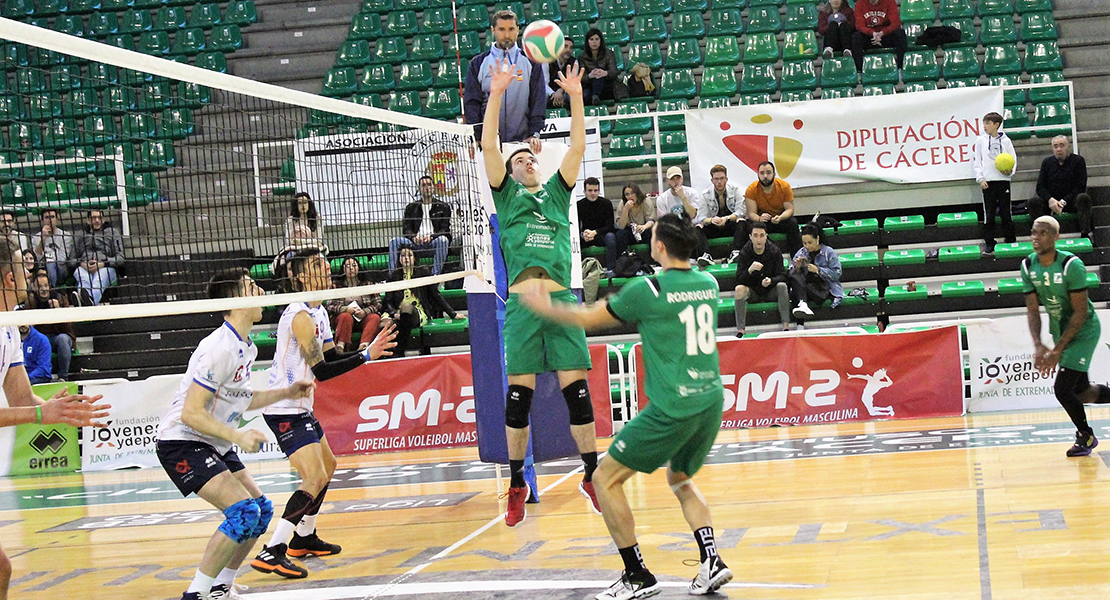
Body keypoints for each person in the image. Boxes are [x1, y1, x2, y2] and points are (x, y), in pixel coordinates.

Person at [521, 213, 733, 600]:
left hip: (674, 405)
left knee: (604, 479)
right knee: (681, 478)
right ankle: (711, 560)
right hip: (710, 400)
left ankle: (636, 574)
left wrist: (545, 307)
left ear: (660, 247)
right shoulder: (709, 283)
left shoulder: (647, 289)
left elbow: (588, 318)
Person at [481, 59, 602, 526]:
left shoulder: (555, 192)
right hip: (523, 307)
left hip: (561, 304)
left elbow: (576, 145)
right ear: (510, 175)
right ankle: (516, 481)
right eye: (519, 162)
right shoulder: (507, 197)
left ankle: (591, 473)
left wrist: (574, 94)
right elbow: (490, 145)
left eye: (530, 158)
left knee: (577, 395)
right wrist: (495, 94)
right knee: (519, 398)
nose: (527, 162)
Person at [155, 269, 313, 600]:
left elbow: (241, 399)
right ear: (236, 300)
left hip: (212, 441)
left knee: (260, 509)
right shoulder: (219, 348)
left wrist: (286, 392)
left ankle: (220, 587)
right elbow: (191, 413)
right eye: (252, 286)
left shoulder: (245, 346)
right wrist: (238, 437)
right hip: (182, 441)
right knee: (242, 512)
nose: (260, 291)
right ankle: (196, 594)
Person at [252, 248, 397, 579]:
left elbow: (330, 358)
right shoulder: (300, 316)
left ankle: (304, 537)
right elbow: (322, 372)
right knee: (313, 477)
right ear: (301, 277)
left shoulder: (318, 314)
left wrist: (363, 352)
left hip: (302, 406)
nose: (327, 269)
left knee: (328, 467)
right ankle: (272, 550)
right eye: (318, 265)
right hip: (283, 408)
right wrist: (367, 356)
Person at [0, 238, 110, 600]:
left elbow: (21, 398)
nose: (28, 272)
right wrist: (38, 412)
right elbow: (29, 408)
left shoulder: (9, 327)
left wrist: (59, 412)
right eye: (21, 267)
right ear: (6, 278)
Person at [1022, 216, 1110, 457]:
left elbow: (1081, 312)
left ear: (1055, 237)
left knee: (1062, 389)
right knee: (1082, 392)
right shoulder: (1028, 266)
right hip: (1061, 328)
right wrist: (1039, 345)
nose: (1035, 238)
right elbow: (1032, 309)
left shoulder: (1071, 265)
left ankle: (1086, 436)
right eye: (1033, 232)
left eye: (1042, 233)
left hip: (1083, 330)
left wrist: (1058, 350)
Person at [464, 10, 546, 152]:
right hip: (489, 145)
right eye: (501, 29)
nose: (507, 35)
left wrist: (534, 133)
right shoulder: (478, 63)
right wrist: (477, 136)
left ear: (518, 30)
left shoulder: (531, 62)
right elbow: (472, 103)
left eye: (511, 29)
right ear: (493, 30)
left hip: (523, 143)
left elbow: (538, 100)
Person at [384, 247, 458, 356]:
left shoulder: (423, 272)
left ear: (414, 258)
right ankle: (382, 356)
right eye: (403, 255)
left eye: (409, 255)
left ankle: (399, 351)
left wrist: (453, 314)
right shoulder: (393, 275)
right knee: (384, 324)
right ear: (399, 259)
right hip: (396, 313)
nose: (406, 258)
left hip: (417, 312)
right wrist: (394, 313)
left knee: (406, 307)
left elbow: (435, 295)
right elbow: (388, 301)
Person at [1028, 135, 1092, 241]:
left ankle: (1085, 234)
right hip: (1051, 203)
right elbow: (1040, 187)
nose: (1059, 149)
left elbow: (1080, 186)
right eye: (1055, 146)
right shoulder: (1047, 163)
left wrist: (1063, 202)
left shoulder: (1078, 161)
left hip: (1071, 201)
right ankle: (1041, 236)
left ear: (1068, 147)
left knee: (1084, 198)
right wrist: (1051, 200)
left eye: (1062, 146)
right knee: (1033, 202)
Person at [733, 222, 790, 336]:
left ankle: (786, 326)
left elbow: (783, 275)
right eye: (755, 235)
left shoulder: (775, 251)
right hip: (753, 291)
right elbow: (739, 279)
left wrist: (771, 281)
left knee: (782, 286)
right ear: (750, 237)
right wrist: (749, 271)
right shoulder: (744, 253)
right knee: (739, 289)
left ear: (766, 236)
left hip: (770, 290)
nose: (759, 239)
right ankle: (741, 330)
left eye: (761, 235)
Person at [972, 112, 1017, 254]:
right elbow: (977, 161)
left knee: (1006, 211)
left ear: (996, 125)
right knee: (989, 213)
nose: (985, 126)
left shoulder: (1006, 141)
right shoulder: (980, 141)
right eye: (984, 123)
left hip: (1003, 181)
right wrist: (980, 178)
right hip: (988, 182)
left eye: (988, 123)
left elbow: (1013, 158)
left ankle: (1010, 239)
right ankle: (989, 242)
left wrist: (1010, 172)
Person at [388, 176, 453, 275]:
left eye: (429, 185)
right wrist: (413, 237)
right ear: (419, 189)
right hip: (415, 244)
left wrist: (431, 237)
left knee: (443, 240)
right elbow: (406, 229)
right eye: (423, 185)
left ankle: (435, 276)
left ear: (433, 187)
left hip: (433, 243)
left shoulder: (443, 207)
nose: (427, 187)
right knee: (394, 241)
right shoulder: (411, 207)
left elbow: (445, 230)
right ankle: (392, 276)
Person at [325, 257, 388, 353]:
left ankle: (364, 347)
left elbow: (377, 303)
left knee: (374, 317)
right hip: (342, 319)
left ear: (358, 268)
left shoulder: (368, 283)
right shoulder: (335, 285)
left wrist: (365, 311)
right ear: (343, 269)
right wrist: (345, 309)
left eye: (354, 265)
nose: (351, 268)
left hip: (362, 317)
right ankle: (340, 347)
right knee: (346, 316)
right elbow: (329, 305)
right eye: (348, 266)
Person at [788, 222, 843, 328]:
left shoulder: (828, 252)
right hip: (806, 288)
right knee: (795, 280)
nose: (807, 246)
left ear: (817, 239)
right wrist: (797, 267)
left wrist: (818, 270)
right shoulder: (802, 252)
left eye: (810, 242)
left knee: (796, 292)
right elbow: (790, 272)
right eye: (804, 243)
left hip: (823, 288)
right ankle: (803, 305)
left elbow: (837, 274)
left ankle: (800, 323)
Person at [24, 271, 76, 380]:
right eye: (40, 286)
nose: (44, 289)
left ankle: (63, 377)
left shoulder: (60, 297)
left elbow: (68, 327)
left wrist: (58, 310)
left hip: (58, 336)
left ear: (50, 286)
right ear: (34, 288)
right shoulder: (31, 301)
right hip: (40, 338)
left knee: (62, 339)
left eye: (46, 285)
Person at [657, 166, 714, 266]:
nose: (676, 182)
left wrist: (683, 197)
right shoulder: (662, 199)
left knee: (698, 229)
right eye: (672, 179)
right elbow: (664, 223)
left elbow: (692, 214)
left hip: (691, 227)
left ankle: (705, 255)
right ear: (668, 181)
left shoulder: (692, 193)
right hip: (674, 230)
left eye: (678, 178)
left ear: (682, 179)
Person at [745, 161, 803, 257]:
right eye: (762, 173)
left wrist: (780, 218)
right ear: (758, 175)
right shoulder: (751, 189)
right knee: (749, 225)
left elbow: (790, 210)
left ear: (774, 174)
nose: (765, 176)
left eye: (768, 173)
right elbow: (751, 213)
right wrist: (759, 219)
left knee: (793, 222)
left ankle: (796, 257)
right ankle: (771, 252)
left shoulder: (784, 187)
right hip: (762, 222)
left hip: (779, 219)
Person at [68, 209, 123, 305]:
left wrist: (103, 263)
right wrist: (81, 263)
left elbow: (121, 257)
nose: (97, 220)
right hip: (84, 266)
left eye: (99, 218)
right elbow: (71, 260)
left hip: (106, 267)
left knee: (98, 280)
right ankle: (88, 301)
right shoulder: (80, 235)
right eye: (93, 218)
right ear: (88, 220)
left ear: (103, 219)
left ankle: (85, 303)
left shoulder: (113, 233)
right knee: (83, 278)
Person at [699, 164, 749, 262]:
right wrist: (711, 220)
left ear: (726, 179)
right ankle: (705, 255)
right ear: (712, 181)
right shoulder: (705, 194)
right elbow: (701, 217)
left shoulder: (736, 190)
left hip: (730, 223)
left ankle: (736, 252)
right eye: (716, 179)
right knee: (698, 228)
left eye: (722, 178)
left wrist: (727, 218)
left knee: (742, 222)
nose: (719, 182)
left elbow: (741, 211)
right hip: (714, 226)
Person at [850, 0, 908, 72]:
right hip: (870, 37)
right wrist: (873, 33)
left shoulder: (889, 2)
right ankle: (859, 70)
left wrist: (882, 33)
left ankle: (901, 68)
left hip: (885, 35)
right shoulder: (860, 3)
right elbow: (860, 26)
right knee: (856, 37)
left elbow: (895, 23)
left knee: (900, 33)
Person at [578, 177, 622, 269]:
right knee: (574, 241)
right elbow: (576, 227)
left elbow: (610, 226)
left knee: (611, 237)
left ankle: (612, 269)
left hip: (601, 235)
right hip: (586, 237)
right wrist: (583, 235)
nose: (593, 193)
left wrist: (595, 232)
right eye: (590, 190)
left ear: (599, 191)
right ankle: (578, 270)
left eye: (595, 190)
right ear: (584, 191)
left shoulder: (606, 203)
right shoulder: (579, 205)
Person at [29, 208, 72, 287]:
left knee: (51, 265)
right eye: (47, 217)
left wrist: (49, 261)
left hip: (61, 268)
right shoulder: (36, 237)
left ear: (57, 219)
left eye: (52, 217)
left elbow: (62, 258)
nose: (50, 220)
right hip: (41, 269)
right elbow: (36, 258)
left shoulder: (66, 236)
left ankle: (52, 291)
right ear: (42, 220)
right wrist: (43, 238)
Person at [578, 29, 618, 106]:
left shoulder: (609, 54)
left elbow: (614, 72)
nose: (594, 42)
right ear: (587, 41)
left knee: (599, 72)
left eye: (597, 39)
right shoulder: (582, 57)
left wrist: (605, 73)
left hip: (607, 84)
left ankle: (595, 96)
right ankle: (595, 96)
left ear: (600, 41)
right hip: (590, 85)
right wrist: (590, 75)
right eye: (591, 39)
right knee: (587, 93)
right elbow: (581, 77)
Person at [616, 184, 656, 249]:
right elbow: (621, 226)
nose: (630, 196)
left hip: (644, 229)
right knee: (620, 234)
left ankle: (654, 257)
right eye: (627, 194)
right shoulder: (622, 204)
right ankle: (623, 257)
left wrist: (644, 226)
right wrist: (626, 209)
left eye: (632, 193)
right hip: (630, 231)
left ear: (637, 193)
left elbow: (651, 221)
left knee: (652, 231)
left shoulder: (645, 201)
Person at [546, 38, 577, 108]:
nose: (568, 50)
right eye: (565, 46)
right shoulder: (547, 61)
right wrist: (553, 93)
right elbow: (544, 83)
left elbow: (571, 83)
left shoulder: (574, 62)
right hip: (551, 92)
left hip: (565, 92)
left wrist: (560, 91)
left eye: (571, 48)